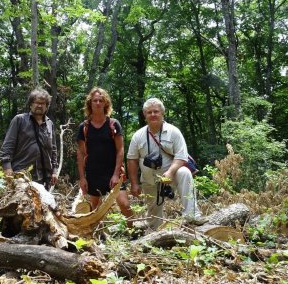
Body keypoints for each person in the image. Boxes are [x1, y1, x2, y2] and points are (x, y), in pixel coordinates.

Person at [127, 97, 201, 229]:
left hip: (171, 176)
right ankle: (155, 235)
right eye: (149, 112)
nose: (153, 114)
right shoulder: (138, 135)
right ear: (145, 115)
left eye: (156, 111)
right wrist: (134, 183)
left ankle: (192, 216)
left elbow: (181, 156)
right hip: (150, 181)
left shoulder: (174, 132)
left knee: (184, 172)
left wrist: (171, 172)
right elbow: (132, 160)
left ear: (162, 113)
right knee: (153, 222)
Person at [76, 88, 133, 224]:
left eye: (101, 100)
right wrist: (82, 178)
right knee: (94, 211)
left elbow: (120, 150)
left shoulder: (113, 124)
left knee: (124, 205)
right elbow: (81, 154)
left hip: (113, 172)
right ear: (90, 103)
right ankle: (95, 236)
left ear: (105, 103)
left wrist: (115, 174)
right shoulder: (84, 127)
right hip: (93, 173)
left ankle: (133, 232)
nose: (97, 103)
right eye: (95, 100)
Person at [0, 88, 58, 190]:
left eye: (43, 103)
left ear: (47, 106)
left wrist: (55, 171)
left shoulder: (49, 124)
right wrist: (7, 169)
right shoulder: (19, 120)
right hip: (22, 176)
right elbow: (7, 147)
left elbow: (53, 150)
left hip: (44, 178)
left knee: (42, 205)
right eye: (36, 102)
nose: (39, 105)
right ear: (31, 104)